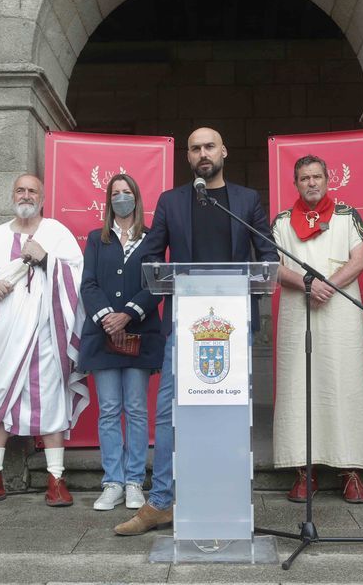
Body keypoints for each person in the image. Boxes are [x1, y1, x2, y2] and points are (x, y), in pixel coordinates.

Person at [114, 126, 278, 536]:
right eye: (195, 149)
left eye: (209, 146)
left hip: (234, 326)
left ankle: (226, 497)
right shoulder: (171, 202)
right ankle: (161, 502)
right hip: (183, 326)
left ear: (223, 150)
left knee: (230, 410)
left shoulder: (246, 200)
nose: (203, 153)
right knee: (171, 413)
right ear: (187, 157)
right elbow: (151, 258)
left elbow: (269, 255)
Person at [0, 174, 87, 509]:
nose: (26, 194)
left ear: (42, 197)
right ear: (12, 195)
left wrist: (47, 259)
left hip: (46, 336)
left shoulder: (57, 233)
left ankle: (56, 479)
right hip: (2, 335)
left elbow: (79, 278)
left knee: (50, 400)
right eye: (20, 189)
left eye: (32, 190)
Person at [271, 155, 363, 503]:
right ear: (296, 183)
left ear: (329, 179)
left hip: (340, 314)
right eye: (304, 178)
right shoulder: (283, 222)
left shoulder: (348, 216)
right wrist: (307, 283)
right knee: (300, 387)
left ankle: (352, 471)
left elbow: (359, 260)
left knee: (346, 384)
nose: (311, 183)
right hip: (298, 312)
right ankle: (305, 470)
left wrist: (326, 286)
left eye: (317, 176)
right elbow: (273, 267)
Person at [78, 174, 164, 511]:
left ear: (137, 197)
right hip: (103, 336)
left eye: (127, 192)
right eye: (116, 193)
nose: (122, 198)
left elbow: (157, 283)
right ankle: (112, 482)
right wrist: (106, 317)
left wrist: (127, 314)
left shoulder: (151, 238)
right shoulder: (97, 239)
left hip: (139, 334)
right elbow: (89, 284)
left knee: (137, 410)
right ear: (108, 200)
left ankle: (133, 482)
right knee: (110, 410)